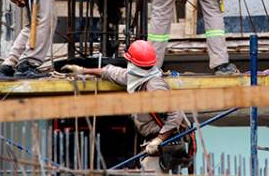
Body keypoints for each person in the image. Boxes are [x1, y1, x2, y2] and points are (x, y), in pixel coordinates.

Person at [62, 40, 195, 174]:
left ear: (133, 63)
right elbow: (111, 72)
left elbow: (176, 113)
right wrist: (83, 71)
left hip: (168, 142)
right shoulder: (137, 78)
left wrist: (159, 140)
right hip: (156, 142)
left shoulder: (154, 86)